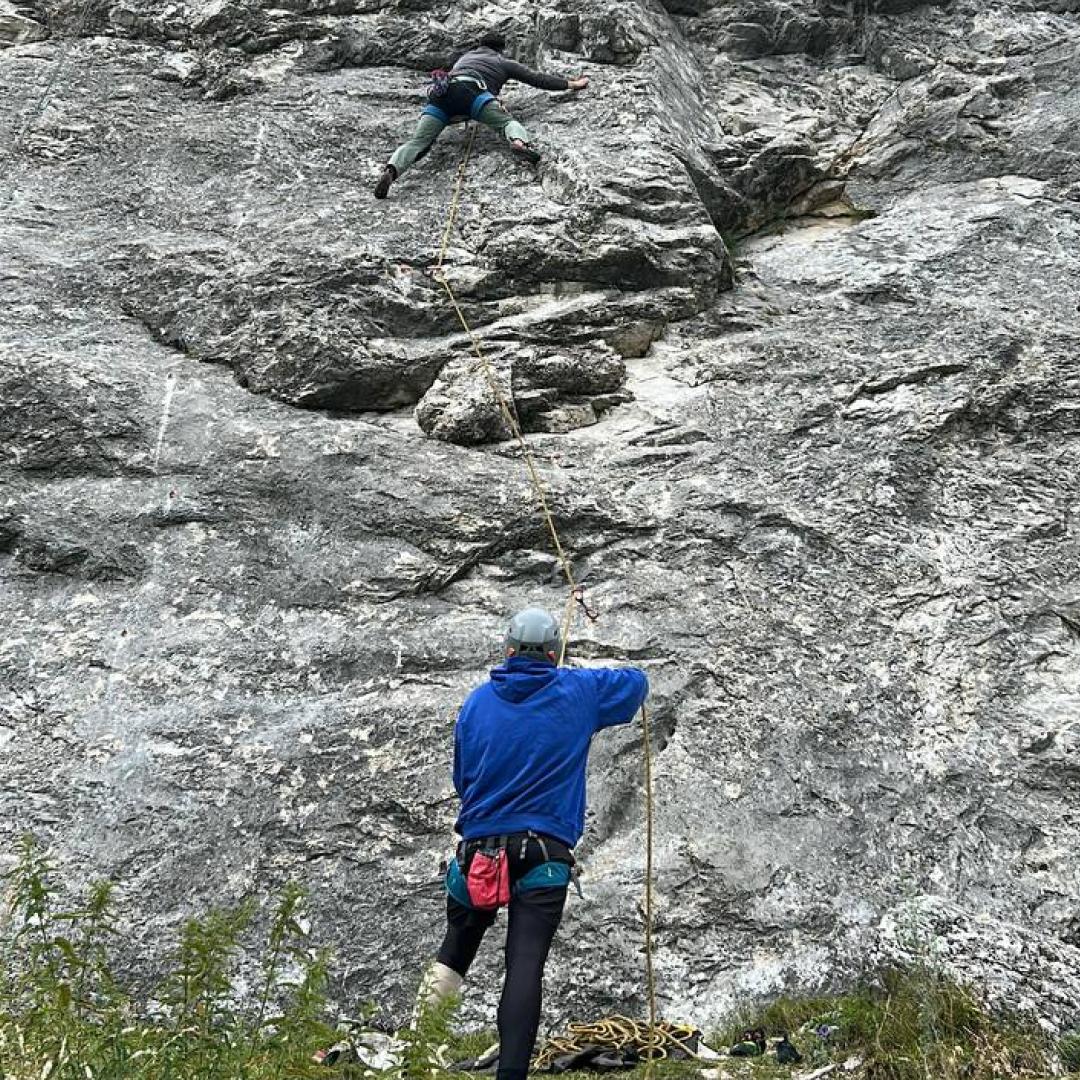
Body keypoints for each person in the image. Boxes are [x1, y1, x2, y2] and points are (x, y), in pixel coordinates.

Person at [415, 608, 649, 1080]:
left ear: (506, 649)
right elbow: (636, 683)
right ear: (552, 652)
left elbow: (463, 778)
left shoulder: (477, 704)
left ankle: (414, 1054)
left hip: (479, 851)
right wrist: (571, 670)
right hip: (544, 853)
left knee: (456, 946)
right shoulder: (578, 692)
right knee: (524, 964)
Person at [374, 31, 590, 199]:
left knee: (418, 142)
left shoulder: (465, 58)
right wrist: (573, 84)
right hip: (473, 95)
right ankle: (519, 143)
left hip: (443, 95)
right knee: (506, 122)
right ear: (500, 49)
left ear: (480, 46)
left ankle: (392, 170)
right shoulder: (502, 62)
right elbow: (537, 79)